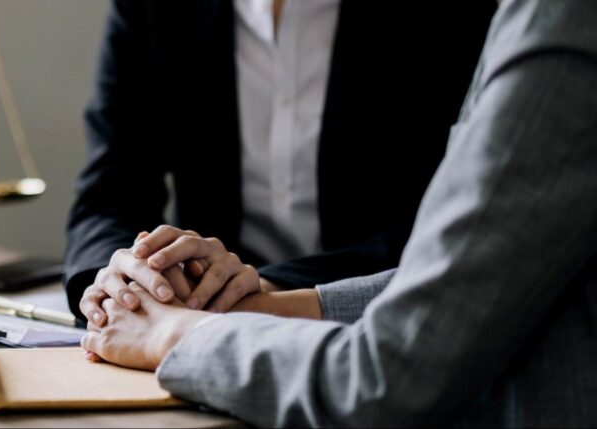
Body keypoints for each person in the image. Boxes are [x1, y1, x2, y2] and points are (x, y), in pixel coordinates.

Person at [80, 0, 597, 426]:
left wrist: (177, 332)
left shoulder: (558, 27)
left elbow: (391, 371)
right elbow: (470, 268)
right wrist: (134, 283)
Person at [64, 0, 496, 322]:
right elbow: (108, 195)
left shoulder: (456, 14)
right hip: (205, 324)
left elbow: (449, 222)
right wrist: (120, 276)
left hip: (381, 326)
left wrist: (268, 287)